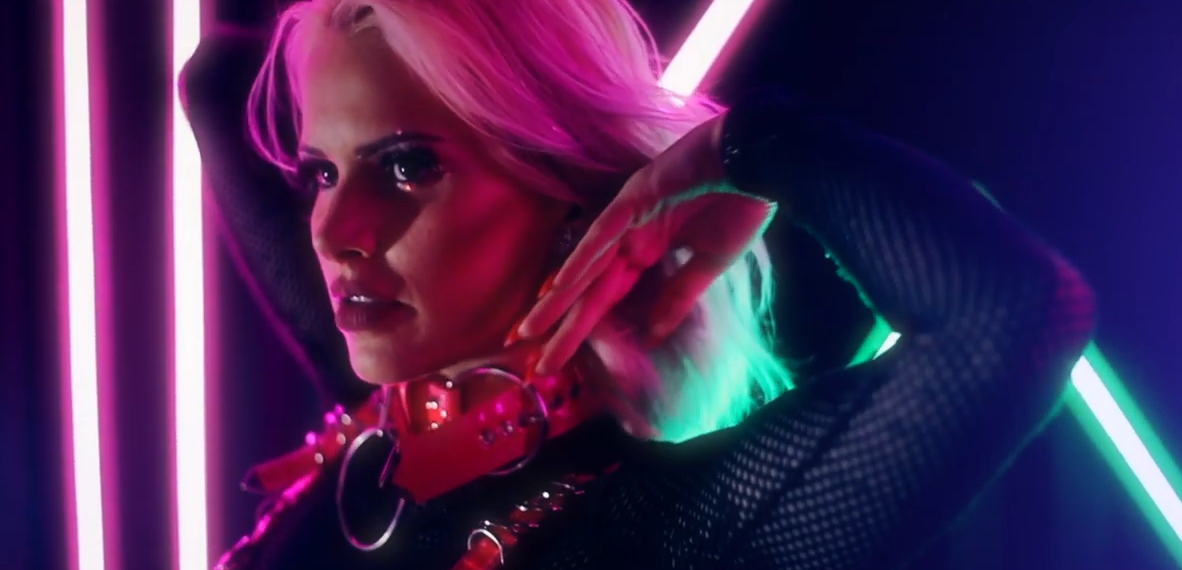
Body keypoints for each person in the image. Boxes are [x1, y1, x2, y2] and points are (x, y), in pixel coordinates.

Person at [180, 1, 1096, 569]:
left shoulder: (678, 531)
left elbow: (1010, 314)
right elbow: (214, 77)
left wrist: (736, 149)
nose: (333, 233)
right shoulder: (377, 436)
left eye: (409, 166)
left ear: (569, 195)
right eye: (322, 172)